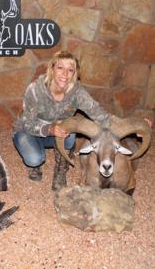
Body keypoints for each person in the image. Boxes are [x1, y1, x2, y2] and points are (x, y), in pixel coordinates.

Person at [13, 50, 113, 191]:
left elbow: (100, 114)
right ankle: (35, 165)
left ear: (75, 74)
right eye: (60, 68)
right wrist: (49, 129)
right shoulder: (35, 89)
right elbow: (26, 122)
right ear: (52, 69)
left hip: (58, 133)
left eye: (70, 70)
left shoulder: (78, 93)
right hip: (28, 131)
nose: (65, 74)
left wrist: (133, 126)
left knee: (70, 128)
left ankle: (60, 171)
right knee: (35, 158)